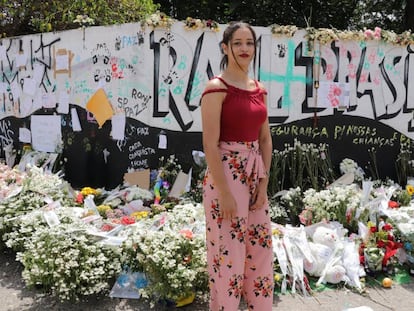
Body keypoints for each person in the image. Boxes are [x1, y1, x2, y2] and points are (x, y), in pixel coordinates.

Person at [201, 21, 274, 311]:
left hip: (256, 174)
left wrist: (265, 182)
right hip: (226, 177)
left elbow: (266, 139)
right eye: (238, 43)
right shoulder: (216, 88)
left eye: (250, 43)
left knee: (260, 252)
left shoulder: (260, 89)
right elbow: (210, 144)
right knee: (227, 256)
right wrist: (225, 193)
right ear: (225, 47)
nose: (245, 48)